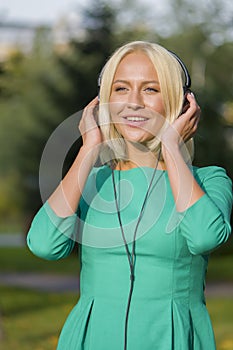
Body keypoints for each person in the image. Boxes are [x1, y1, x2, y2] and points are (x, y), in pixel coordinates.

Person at [27, 41, 232, 350]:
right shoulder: (90, 182)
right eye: (121, 89)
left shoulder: (209, 179)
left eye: (151, 89)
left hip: (172, 339)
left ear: (181, 103)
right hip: (91, 339)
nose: (133, 102)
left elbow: (205, 237)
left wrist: (172, 150)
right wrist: (87, 150)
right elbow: (45, 245)